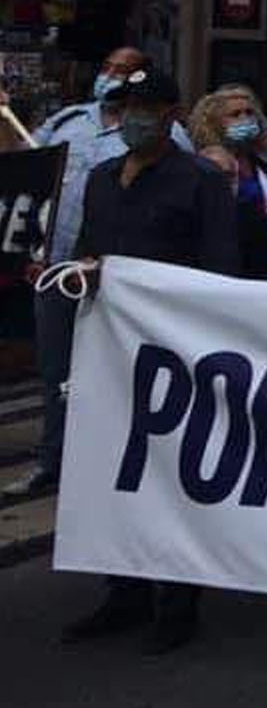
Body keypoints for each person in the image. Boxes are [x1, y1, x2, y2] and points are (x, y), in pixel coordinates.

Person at [59, 68, 238, 655]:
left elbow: (219, 272)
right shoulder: (104, 178)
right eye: (124, 106)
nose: (131, 116)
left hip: (173, 353)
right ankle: (124, 590)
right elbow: (91, 247)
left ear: (169, 114)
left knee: (170, 476)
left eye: (144, 106)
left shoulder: (199, 181)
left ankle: (178, 600)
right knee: (113, 471)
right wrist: (79, 272)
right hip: (109, 351)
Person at [4, 46, 189, 497]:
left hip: (122, 283)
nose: (109, 77)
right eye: (106, 68)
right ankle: (52, 461)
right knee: (58, 374)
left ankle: (115, 472)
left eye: (122, 72)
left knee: (118, 378)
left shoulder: (171, 138)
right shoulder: (69, 122)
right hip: (59, 270)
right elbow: (24, 164)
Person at [189, 84, 267, 278]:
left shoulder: (262, 164)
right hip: (231, 269)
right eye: (235, 114)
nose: (245, 119)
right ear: (214, 123)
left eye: (249, 112)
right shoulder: (210, 163)